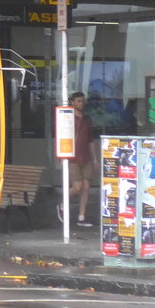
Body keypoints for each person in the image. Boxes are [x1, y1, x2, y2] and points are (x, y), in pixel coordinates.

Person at [68, 91, 99, 227]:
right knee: (77, 186)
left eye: (82, 101)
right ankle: (62, 203)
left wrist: (95, 158)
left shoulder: (87, 119)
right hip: (73, 157)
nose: (81, 103)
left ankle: (81, 216)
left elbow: (90, 140)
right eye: (78, 101)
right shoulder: (68, 118)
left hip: (86, 156)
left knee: (86, 186)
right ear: (72, 102)